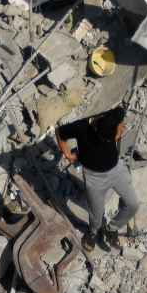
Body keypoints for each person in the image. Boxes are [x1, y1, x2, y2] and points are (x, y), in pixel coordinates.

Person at [56, 106, 139, 252]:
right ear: (95, 130)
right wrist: (67, 154)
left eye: (109, 140)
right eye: (105, 139)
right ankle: (93, 232)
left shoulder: (110, 116)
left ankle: (111, 228)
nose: (108, 142)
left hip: (117, 170)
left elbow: (121, 112)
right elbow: (60, 132)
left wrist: (118, 133)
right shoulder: (81, 127)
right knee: (97, 215)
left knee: (133, 204)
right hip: (94, 177)